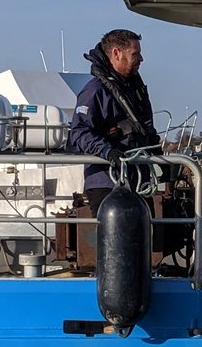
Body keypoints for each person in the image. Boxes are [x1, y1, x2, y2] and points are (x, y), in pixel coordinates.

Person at [67, 29, 160, 213]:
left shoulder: (133, 89)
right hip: (107, 184)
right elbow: (79, 132)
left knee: (144, 237)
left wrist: (160, 156)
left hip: (138, 180)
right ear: (116, 53)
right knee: (116, 239)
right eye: (136, 54)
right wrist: (108, 152)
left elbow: (142, 128)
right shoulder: (95, 92)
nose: (141, 59)